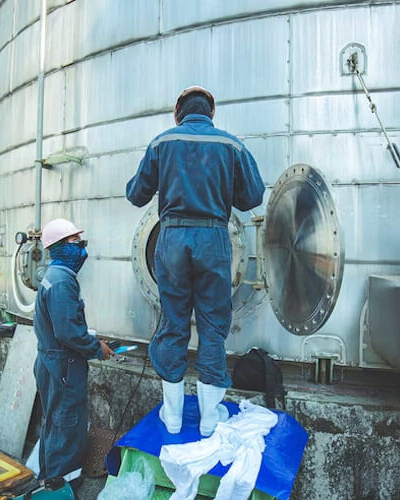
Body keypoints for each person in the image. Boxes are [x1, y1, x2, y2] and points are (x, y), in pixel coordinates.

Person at [126, 86, 265, 437]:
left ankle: (171, 417)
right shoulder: (230, 145)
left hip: (171, 239)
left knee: (173, 323)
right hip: (213, 240)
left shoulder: (161, 143)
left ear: (178, 112)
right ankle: (208, 418)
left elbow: (135, 193)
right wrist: (219, 189)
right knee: (212, 325)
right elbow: (252, 196)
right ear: (211, 113)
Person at [33, 218, 113, 494]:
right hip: (64, 366)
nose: (81, 248)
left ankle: (49, 478)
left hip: (51, 360)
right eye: (76, 242)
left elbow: (64, 327)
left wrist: (90, 340)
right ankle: (59, 486)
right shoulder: (63, 281)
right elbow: (68, 333)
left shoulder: (52, 275)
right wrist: (96, 349)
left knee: (55, 421)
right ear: (59, 247)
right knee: (67, 424)